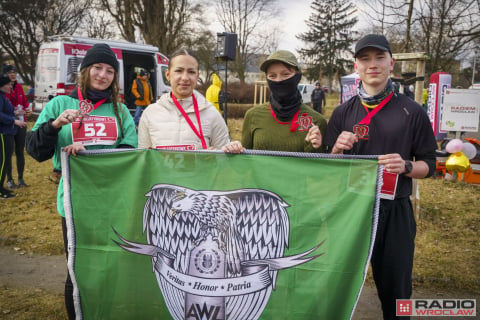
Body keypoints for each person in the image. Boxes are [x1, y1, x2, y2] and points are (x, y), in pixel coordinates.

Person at [324, 34, 437, 320]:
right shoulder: (342, 112)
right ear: (356, 66)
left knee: (397, 289)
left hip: (395, 209)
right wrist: (337, 148)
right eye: (365, 59)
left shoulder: (412, 112)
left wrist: (407, 167)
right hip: (351, 209)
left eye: (379, 58)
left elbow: (429, 164)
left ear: (391, 63)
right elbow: (328, 166)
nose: (372, 65)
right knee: (339, 282)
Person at [25, 43, 138, 319]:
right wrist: (55, 126)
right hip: (74, 202)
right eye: (98, 68)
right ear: (85, 70)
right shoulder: (60, 104)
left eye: (110, 71)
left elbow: (130, 155)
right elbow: (34, 150)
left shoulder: (121, 112)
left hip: (112, 201)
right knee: (77, 268)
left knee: (111, 264)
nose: (103, 75)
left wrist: (92, 157)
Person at [138, 49, 237, 151]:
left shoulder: (212, 114)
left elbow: (224, 160)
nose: (185, 77)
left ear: (197, 76)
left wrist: (223, 154)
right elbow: (143, 158)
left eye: (191, 72)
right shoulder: (150, 114)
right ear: (167, 75)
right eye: (179, 71)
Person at [240, 50, 326, 152]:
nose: (278, 80)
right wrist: (233, 151)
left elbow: (320, 166)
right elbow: (244, 163)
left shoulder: (316, 121)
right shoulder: (252, 116)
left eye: (285, 74)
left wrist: (314, 148)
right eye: (272, 76)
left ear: (297, 77)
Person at [3, 64, 30, 188]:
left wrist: (27, 109)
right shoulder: (3, 89)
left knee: (20, 151)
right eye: (10, 72)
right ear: (5, 75)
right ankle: (9, 179)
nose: (13, 74)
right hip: (8, 124)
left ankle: (21, 178)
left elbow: (24, 102)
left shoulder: (19, 86)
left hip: (21, 123)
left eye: (14, 72)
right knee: (8, 153)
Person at [1, 73, 26, 198]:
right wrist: (14, 120)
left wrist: (15, 112)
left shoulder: (3, 97)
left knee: (8, 158)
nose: (10, 87)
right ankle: (3, 188)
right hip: (4, 132)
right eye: (8, 84)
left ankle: (3, 187)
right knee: (4, 160)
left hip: (10, 130)